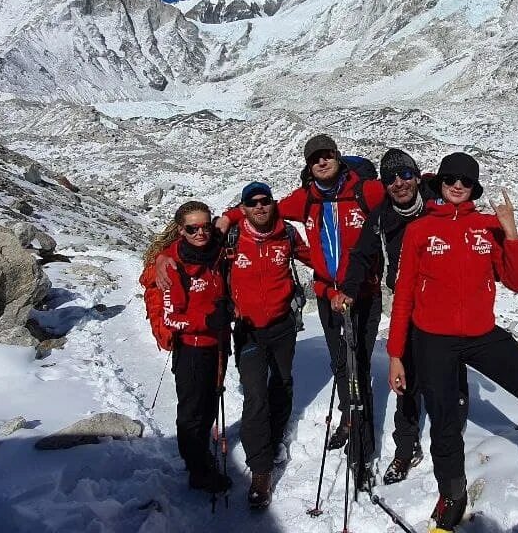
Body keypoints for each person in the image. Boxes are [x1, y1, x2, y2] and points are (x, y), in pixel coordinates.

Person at [387, 153, 518, 532]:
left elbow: (516, 281)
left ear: (473, 188)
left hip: (483, 335)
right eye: (450, 178)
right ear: (440, 182)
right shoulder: (420, 231)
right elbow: (403, 296)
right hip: (433, 340)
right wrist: (396, 355)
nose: (457, 185)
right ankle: (452, 495)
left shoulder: (487, 228)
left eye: (465, 181)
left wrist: (511, 233)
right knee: (446, 424)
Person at [217, 133, 386, 485]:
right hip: (327, 295)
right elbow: (266, 207)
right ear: (308, 168)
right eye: (315, 159)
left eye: (327, 156)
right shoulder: (304, 200)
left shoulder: (364, 191)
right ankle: (347, 419)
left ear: (338, 158)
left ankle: (361, 445)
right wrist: (230, 216)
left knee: (360, 365)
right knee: (341, 362)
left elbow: (404, 195)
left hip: (364, 294)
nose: (322, 162)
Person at [343, 148, 467, 485]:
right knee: (407, 380)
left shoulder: (438, 203)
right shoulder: (382, 216)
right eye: (391, 179)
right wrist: (349, 290)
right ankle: (406, 448)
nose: (399, 183)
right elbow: (361, 256)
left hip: (447, 305)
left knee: (450, 376)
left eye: (406, 175)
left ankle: (453, 436)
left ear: (416, 174)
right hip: (409, 306)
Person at [226, 181, 309, 510]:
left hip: (282, 326)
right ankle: (261, 469)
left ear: (273, 204)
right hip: (247, 330)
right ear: (243, 208)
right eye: (252, 202)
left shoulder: (286, 234)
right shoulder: (231, 236)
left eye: (265, 201)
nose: (260, 207)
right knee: (255, 393)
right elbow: (190, 249)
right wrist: (163, 264)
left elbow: (314, 257)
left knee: (283, 383)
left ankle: (273, 437)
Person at [141, 201, 232, 495]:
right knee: (192, 410)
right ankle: (198, 470)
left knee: (209, 402)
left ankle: (202, 456)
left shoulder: (213, 249)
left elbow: (242, 209)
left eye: (205, 226)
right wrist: (207, 319)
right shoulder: (172, 266)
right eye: (193, 228)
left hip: (217, 343)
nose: (201, 233)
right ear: (181, 230)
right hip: (192, 350)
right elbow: (170, 318)